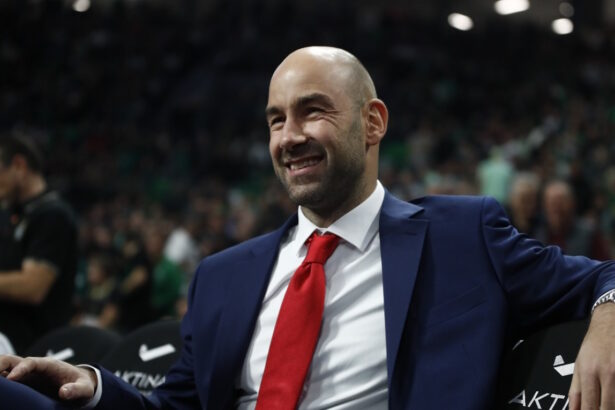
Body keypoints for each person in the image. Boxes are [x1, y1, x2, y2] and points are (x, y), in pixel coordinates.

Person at [2, 46, 615, 410]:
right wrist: (93, 385)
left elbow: (601, 279)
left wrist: (609, 321)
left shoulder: (463, 235)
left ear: (373, 123)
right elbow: (173, 406)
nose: (289, 137)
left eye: (312, 111)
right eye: (276, 120)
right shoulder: (222, 276)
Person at [0, 135, 78, 353]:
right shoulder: (11, 214)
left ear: (19, 165)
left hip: (37, 351)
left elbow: (32, 287)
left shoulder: (53, 215)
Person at [536, 179, 611, 260]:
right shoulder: (538, 235)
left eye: (561, 202)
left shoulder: (589, 234)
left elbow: (605, 264)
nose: (557, 208)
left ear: (573, 203)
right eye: (552, 203)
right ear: (544, 206)